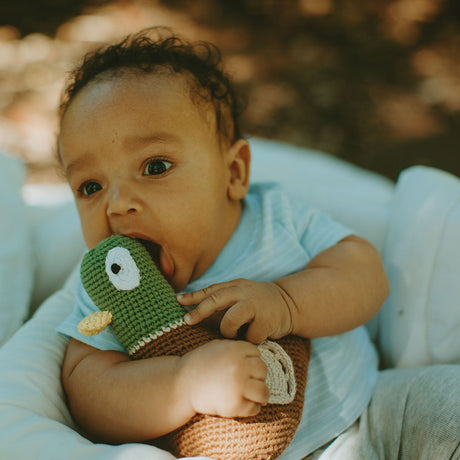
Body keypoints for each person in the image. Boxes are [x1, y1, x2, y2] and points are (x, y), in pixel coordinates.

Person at [56, 27, 391, 457]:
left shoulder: (275, 217)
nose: (117, 204)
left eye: (155, 166)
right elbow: (90, 390)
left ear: (233, 174)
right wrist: (183, 384)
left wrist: (288, 303)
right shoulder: (108, 286)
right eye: (89, 186)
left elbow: (364, 272)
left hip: (374, 411)